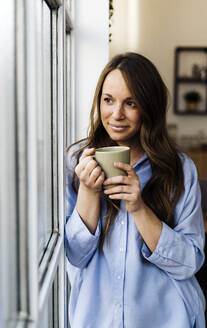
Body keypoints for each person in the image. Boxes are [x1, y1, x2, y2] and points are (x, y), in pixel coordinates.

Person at [64, 52, 206, 327]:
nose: (116, 114)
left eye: (130, 103)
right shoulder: (78, 163)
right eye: (108, 100)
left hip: (167, 319)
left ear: (149, 106)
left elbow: (189, 264)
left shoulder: (179, 169)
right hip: (98, 320)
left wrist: (139, 208)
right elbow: (76, 257)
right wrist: (88, 192)